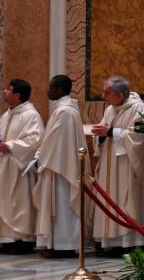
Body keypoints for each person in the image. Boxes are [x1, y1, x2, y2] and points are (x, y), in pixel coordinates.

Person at [91, 76, 144, 253]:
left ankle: (130, 243)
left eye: (107, 92)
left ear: (120, 95)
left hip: (128, 164)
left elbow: (139, 137)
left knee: (128, 199)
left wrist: (111, 131)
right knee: (109, 199)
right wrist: (101, 135)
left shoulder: (139, 108)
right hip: (109, 163)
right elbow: (104, 131)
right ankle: (109, 243)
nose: (103, 96)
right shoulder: (110, 109)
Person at [32, 75, 90, 258]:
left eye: (50, 87)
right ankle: (56, 244)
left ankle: (63, 245)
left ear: (59, 90)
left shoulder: (64, 112)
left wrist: (41, 158)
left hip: (61, 169)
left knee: (63, 206)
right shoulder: (64, 110)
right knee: (59, 206)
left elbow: (57, 143)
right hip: (58, 165)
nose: (47, 91)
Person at [0, 79, 44, 254]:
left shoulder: (31, 115)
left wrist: (9, 146)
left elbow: (35, 140)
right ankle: (6, 239)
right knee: (5, 202)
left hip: (19, 167)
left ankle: (22, 241)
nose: (4, 92)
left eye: (8, 90)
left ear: (17, 95)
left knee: (19, 203)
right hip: (5, 165)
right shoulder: (7, 114)